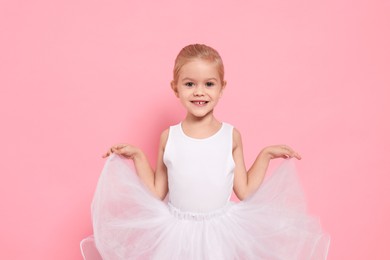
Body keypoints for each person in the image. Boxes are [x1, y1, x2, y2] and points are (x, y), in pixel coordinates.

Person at [80, 44, 330, 259]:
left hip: (220, 234)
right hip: (177, 235)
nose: (199, 91)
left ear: (222, 87)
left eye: (209, 84)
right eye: (190, 84)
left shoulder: (230, 135)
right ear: (176, 88)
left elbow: (243, 191)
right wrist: (137, 156)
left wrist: (264, 155)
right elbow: (157, 192)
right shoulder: (170, 136)